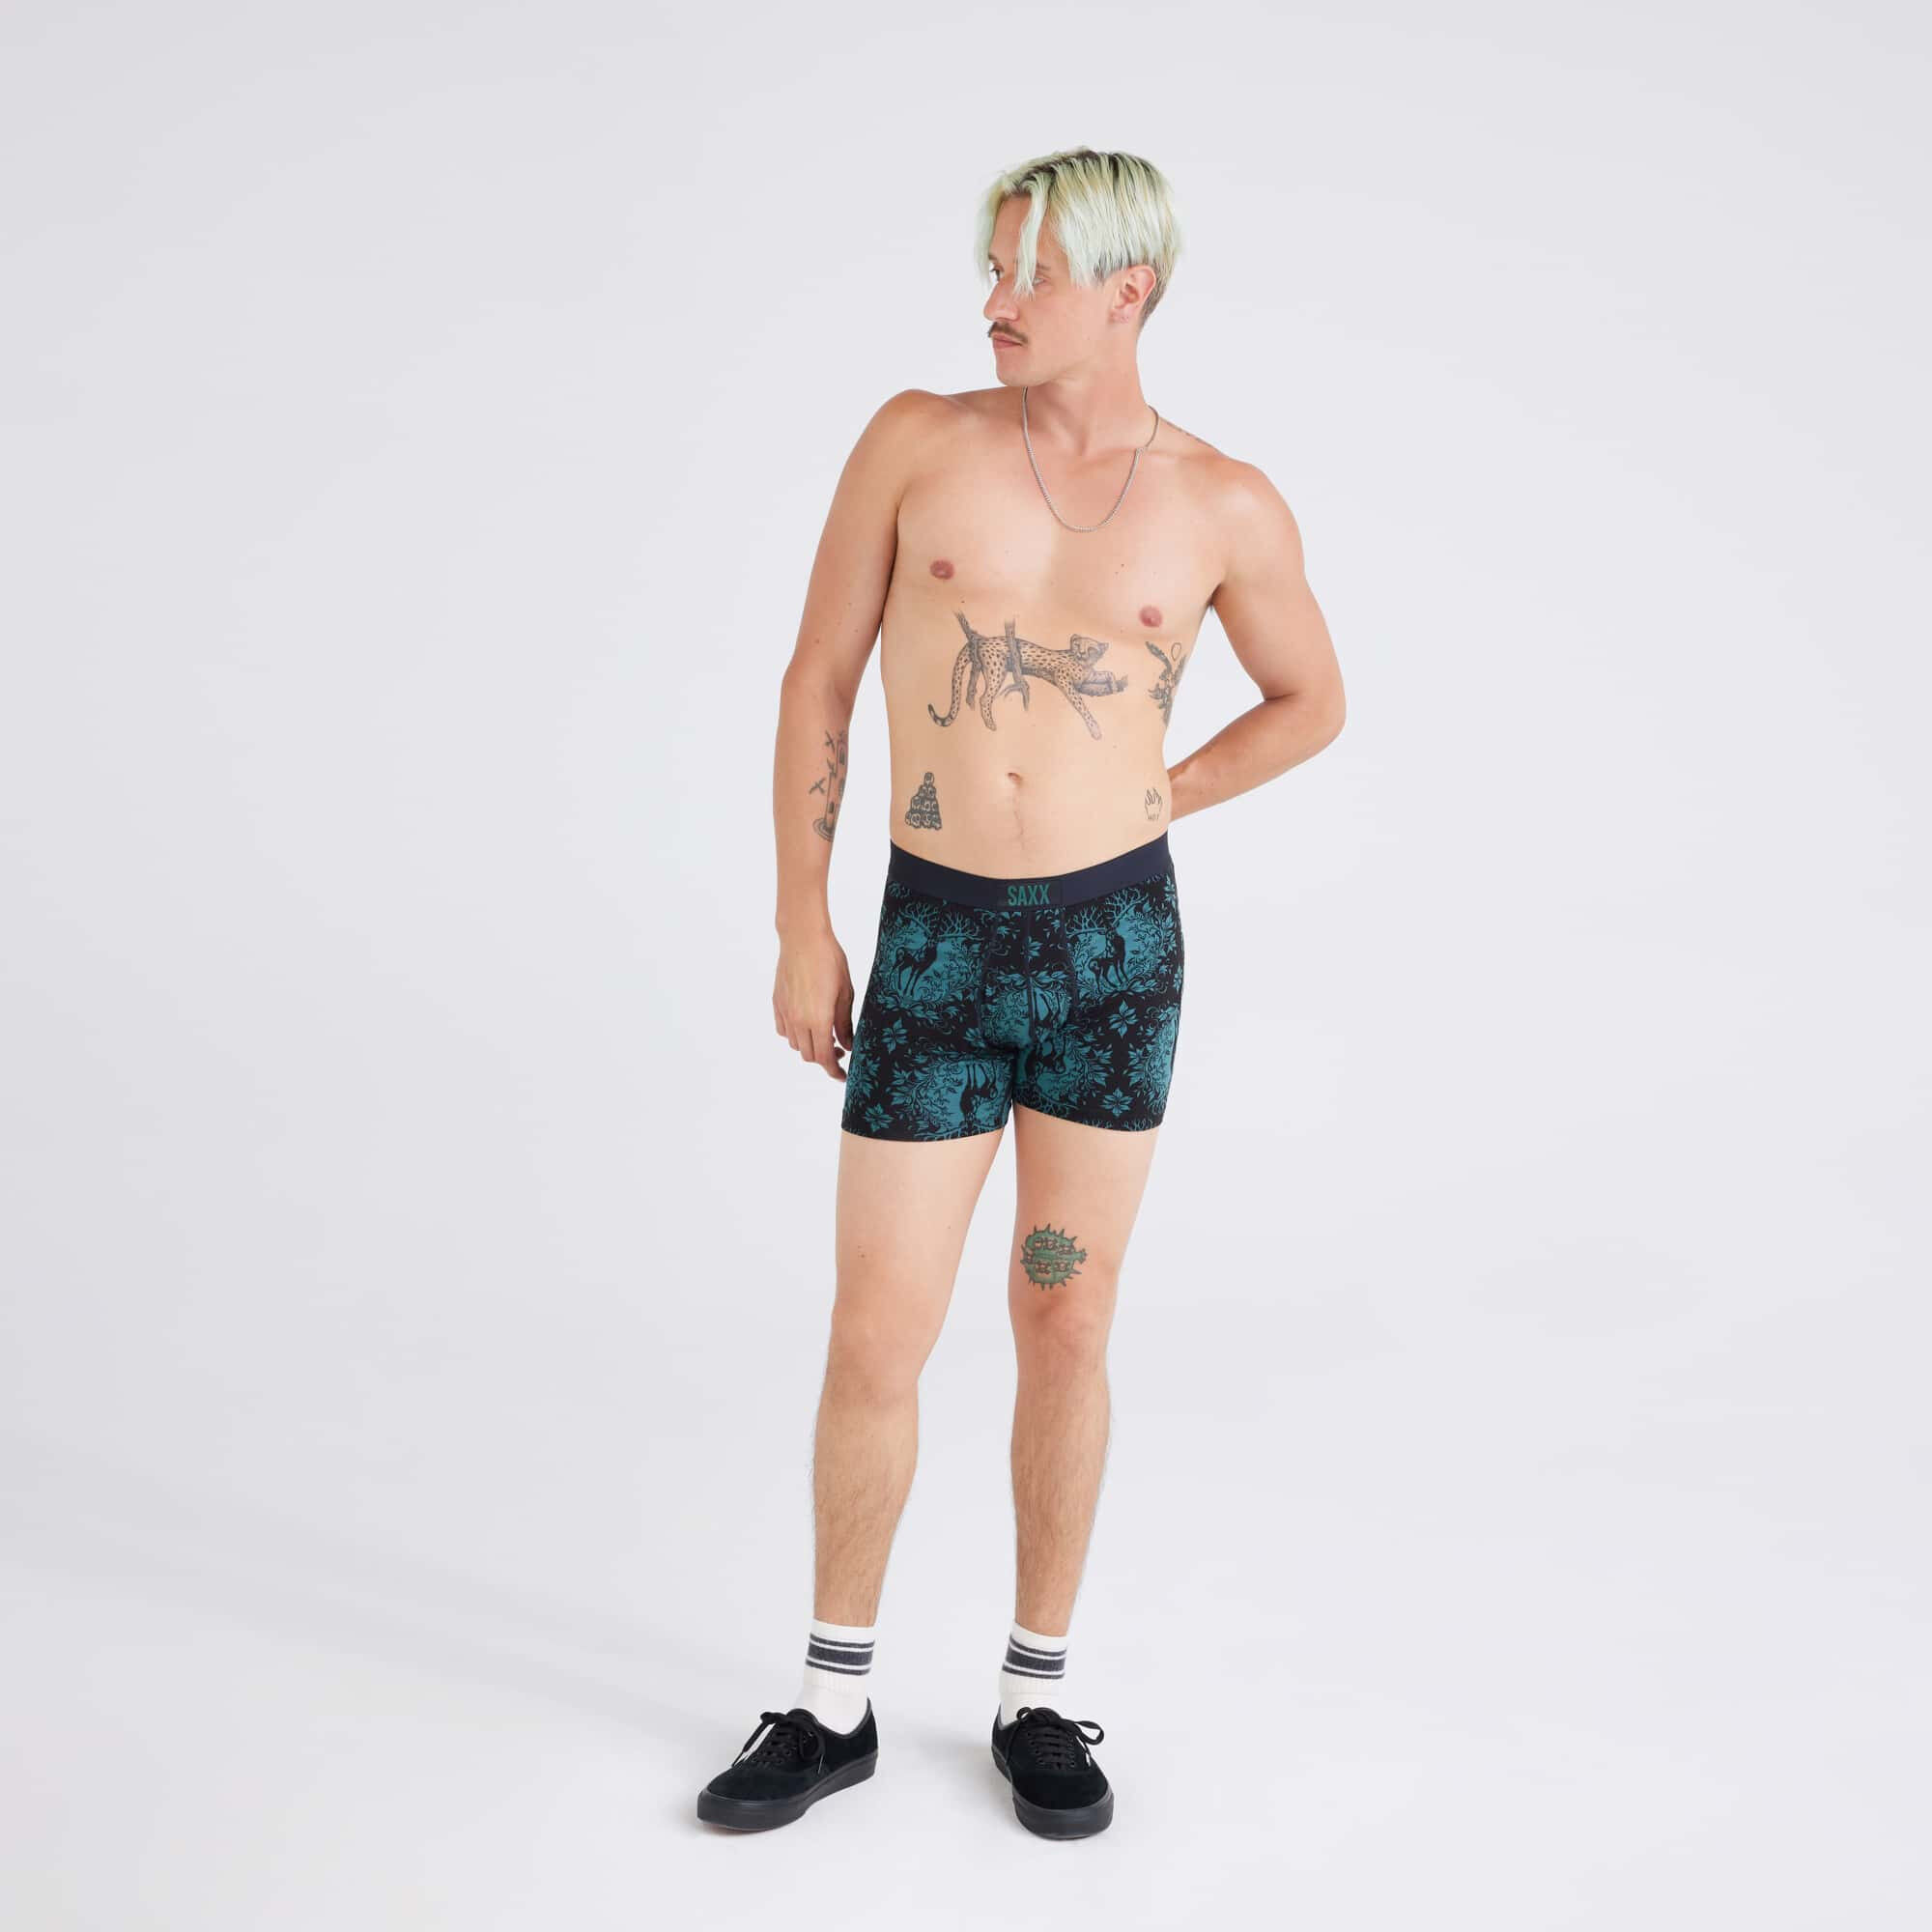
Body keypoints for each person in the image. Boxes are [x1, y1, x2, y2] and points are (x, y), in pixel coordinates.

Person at [696, 147, 1345, 1838]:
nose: (995, 301)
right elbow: (817, 679)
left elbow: (1313, 699)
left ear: (1127, 292)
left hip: (1114, 957)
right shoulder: (918, 442)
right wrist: (802, 924)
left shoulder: (1223, 502)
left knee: (1066, 1319)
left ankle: (1036, 1695)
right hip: (935, 945)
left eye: (1029, 274)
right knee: (878, 1328)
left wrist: (1159, 794)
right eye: (991, 267)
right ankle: (831, 1701)